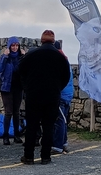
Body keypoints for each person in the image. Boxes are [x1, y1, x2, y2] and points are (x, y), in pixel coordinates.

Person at [18, 30, 70, 165]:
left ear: (41, 41)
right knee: (49, 126)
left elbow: (20, 71)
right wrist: (57, 88)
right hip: (52, 95)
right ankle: (45, 156)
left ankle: (28, 156)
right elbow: (66, 77)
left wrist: (27, 87)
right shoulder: (60, 58)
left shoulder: (31, 54)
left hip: (33, 94)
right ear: (53, 41)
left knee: (32, 126)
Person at [0, 36, 25, 145]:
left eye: (17, 45)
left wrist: (24, 56)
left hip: (18, 87)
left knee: (16, 112)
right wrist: (4, 56)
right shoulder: (5, 57)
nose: (15, 48)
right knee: (8, 112)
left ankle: (16, 135)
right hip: (6, 88)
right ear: (9, 46)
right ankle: (5, 136)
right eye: (13, 45)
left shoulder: (20, 57)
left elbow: (26, 68)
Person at [52, 41, 73, 154]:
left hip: (61, 95)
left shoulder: (58, 61)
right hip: (68, 95)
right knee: (63, 120)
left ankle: (57, 146)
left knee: (59, 121)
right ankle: (64, 143)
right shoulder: (65, 60)